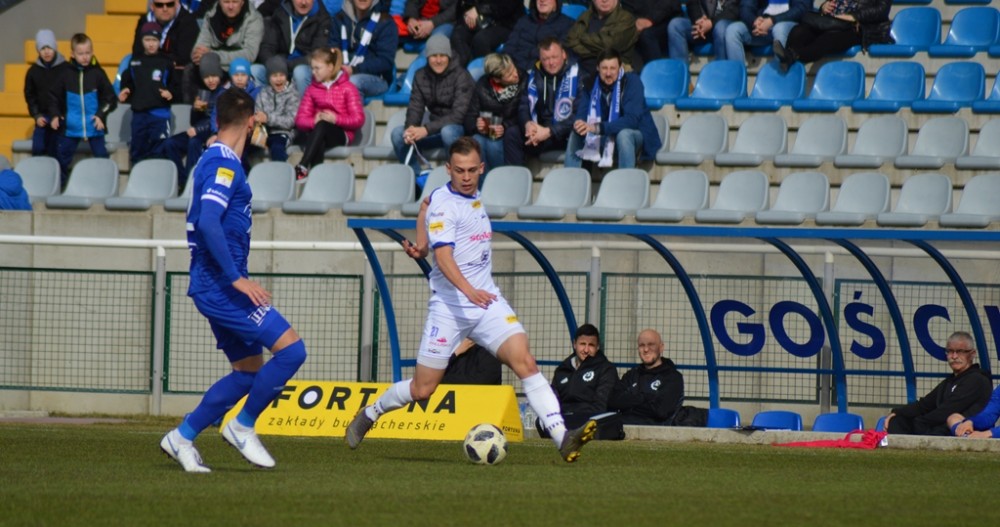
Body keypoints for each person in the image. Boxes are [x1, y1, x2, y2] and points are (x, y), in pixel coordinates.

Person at [344, 137, 598, 463]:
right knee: (423, 389)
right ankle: (371, 412)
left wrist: (420, 245)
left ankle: (563, 438)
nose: (466, 177)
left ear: (481, 168)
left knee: (525, 361)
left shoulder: (460, 195)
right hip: (450, 307)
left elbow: (423, 205)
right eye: (459, 171)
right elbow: (444, 257)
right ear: (448, 169)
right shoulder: (446, 205)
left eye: (471, 170)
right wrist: (462, 284)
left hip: (485, 302)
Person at [160, 87, 308, 473]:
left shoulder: (216, 159)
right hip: (220, 285)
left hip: (214, 283)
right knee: (292, 351)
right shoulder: (223, 163)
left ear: (216, 120)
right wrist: (236, 279)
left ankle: (181, 438)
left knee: (248, 373)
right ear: (253, 121)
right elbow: (209, 220)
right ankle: (242, 426)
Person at [391, 34, 474, 178]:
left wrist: (426, 129)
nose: (438, 60)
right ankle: (418, 178)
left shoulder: (462, 75)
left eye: (442, 55)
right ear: (427, 57)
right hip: (434, 131)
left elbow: (458, 116)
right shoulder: (420, 75)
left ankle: (454, 178)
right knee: (398, 134)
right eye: (434, 56)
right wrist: (411, 129)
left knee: (448, 131)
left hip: (459, 131)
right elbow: (415, 108)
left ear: (449, 56)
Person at [564, 49, 661, 170]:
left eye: (613, 68)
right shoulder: (590, 83)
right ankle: (571, 178)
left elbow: (632, 120)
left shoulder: (632, 82)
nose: (608, 73)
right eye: (604, 68)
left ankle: (626, 178)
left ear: (620, 68)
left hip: (637, 136)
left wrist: (598, 128)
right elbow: (582, 114)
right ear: (598, 68)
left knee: (624, 135)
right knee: (576, 134)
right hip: (605, 135)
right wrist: (579, 124)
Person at [884, 331, 992, 436]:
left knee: (922, 425)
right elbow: (924, 405)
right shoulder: (950, 381)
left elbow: (947, 410)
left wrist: (919, 422)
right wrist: (897, 412)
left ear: (972, 354)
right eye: (950, 351)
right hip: (937, 427)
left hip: (959, 430)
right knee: (897, 420)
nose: (954, 356)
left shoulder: (977, 380)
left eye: (960, 351)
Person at [48, 33, 117, 185]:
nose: (85, 57)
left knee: (101, 156)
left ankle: (105, 186)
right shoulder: (65, 74)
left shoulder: (98, 73)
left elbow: (110, 98)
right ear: (72, 54)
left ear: (92, 52)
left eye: (88, 53)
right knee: (61, 157)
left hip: (94, 125)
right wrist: (55, 115)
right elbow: (53, 96)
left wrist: (101, 114)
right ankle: (60, 187)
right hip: (71, 126)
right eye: (80, 53)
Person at [292, 48, 365, 181]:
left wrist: (336, 119)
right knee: (320, 134)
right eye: (312, 68)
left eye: (317, 68)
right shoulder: (311, 89)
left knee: (323, 126)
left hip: (341, 134)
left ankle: (303, 164)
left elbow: (358, 119)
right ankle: (316, 177)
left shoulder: (348, 88)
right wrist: (313, 121)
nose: (313, 72)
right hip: (317, 132)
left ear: (330, 67)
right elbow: (300, 120)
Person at [158, 52, 227, 190]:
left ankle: (192, 182)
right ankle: (183, 180)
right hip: (197, 131)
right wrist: (195, 109)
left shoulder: (224, 94)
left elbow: (218, 120)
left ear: (219, 75)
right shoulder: (202, 93)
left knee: (194, 142)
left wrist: (198, 129)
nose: (210, 80)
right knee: (170, 143)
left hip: (214, 133)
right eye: (206, 77)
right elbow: (193, 121)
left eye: (214, 76)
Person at [119, 22, 178, 166]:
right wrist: (126, 89)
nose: (151, 44)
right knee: (137, 150)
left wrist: (170, 93)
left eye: (154, 40)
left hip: (160, 114)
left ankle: (157, 178)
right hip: (139, 115)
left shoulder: (166, 62)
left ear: (160, 41)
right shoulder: (135, 61)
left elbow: (175, 84)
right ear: (142, 40)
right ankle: (137, 177)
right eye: (147, 40)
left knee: (159, 150)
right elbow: (128, 82)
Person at [187, 0, 264, 103]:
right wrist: (197, 54)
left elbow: (250, 54)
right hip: (213, 64)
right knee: (190, 69)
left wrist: (213, 56)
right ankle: (195, 107)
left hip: (238, 63)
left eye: (235, 2)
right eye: (226, 2)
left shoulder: (253, 19)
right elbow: (200, 45)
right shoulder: (211, 15)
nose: (230, 6)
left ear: (242, 2)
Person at [774, 0, 892, 67]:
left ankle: (793, 56)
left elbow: (882, 10)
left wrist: (854, 16)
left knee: (828, 38)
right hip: (834, 21)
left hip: (860, 26)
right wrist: (824, 6)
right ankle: (790, 58)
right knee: (799, 31)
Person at [545, 324, 617, 431]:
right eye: (582, 344)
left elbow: (600, 407)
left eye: (591, 345)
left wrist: (574, 417)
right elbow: (553, 403)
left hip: (589, 425)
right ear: (574, 344)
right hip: (561, 423)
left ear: (597, 347)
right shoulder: (562, 370)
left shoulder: (606, 370)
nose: (586, 350)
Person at [464, 53, 526, 174]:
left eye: (514, 68)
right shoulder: (482, 85)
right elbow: (469, 117)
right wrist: (477, 125)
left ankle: (499, 178)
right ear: (497, 79)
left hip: (511, 132)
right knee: (477, 141)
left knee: (494, 145)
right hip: (488, 133)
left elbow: (524, 113)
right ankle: (483, 182)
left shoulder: (524, 80)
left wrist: (504, 126)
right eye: (509, 74)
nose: (515, 74)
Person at [608, 328, 684, 426]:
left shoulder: (673, 377)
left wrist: (629, 404)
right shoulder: (631, 375)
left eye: (651, 345)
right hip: (624, 427)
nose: (646, 349)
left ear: (661, 347)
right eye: (642, 345)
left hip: (654, 431)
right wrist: (645, 398)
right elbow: (613, 401)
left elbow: (661, 411)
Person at [519, 37, 579, 160]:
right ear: (540, 59)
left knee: (578, 133)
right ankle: (513, 172)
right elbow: (523, 105)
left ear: (564, 54)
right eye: (545, 59)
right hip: (540, 129)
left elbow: (580, 115)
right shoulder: (533, 76)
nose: (551, 63)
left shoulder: (578, 76)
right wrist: (528, 124)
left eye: (554, 57)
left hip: (565, 131)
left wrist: (550, 131)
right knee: (513, 134)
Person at [256, 0, 331, 95]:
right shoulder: (280, 12)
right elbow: (267, 46)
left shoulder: (322, 18)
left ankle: (304, 104)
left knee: (300, 72)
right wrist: (274, 64)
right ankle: (264, 103)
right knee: (256, 70)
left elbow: (317, 54)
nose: (303, 2)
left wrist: (286, 65)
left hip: (305, 66)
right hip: (279, 64)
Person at [131, 0, 200, 99]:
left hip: (176, 79)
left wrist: (155, 58)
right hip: (148, 72)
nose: (165, 9)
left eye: (169, 4)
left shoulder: (188, 21)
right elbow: (137, 53)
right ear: (152, 6)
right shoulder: (144, 22)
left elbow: (183, 58)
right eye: (159, 5)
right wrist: (165, 60)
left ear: (176, 4)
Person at [331, 0, 399, 99]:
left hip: (377, 78)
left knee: (352, 82)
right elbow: (332, 49)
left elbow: (385, 61)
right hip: (342, 72)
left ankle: (353, 109)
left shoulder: (385, 22)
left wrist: (355, 69)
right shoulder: (340, 19)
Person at [564, 0, 637, 88]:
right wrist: (598, 47)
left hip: (613, 74)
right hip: (583, 72)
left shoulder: (627, 19)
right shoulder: (585, 16)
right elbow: (571, 41)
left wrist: (583, 38)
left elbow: (609, 46)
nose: (604, 1)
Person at [24, 29, 67, 158]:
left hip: (61, 118)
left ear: (54, 47)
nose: (46, 52)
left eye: (49, 47)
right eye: (43, 48)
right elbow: (30, 95)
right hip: (43, 117)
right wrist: (36, 115)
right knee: (38, 148)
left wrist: (62, 114)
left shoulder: (66, 68)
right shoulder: (33, 71)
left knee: (57, 150)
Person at [724, 0, 808, 64]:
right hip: (762, 23)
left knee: (779, 29)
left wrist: (773, 20)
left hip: (789, 23)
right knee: (733, 30)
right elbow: (746, 7)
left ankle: (778, 78)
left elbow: (801, 8)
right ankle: (736, 78)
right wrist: (754, 21)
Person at [502, 0, 574, 73]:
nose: (542, 0)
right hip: (515, 69)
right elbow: (509, 47)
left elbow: (558, 54)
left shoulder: (567, 24)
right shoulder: (523, 21)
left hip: (543, 71)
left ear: (556, 2)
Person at [254, 55, 301, 162]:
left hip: (284, 133)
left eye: (282, 75)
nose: (279, 79)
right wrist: (258, 136)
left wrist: (268, 118)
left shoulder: (293, 94)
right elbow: (258, 115)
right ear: (268, 78)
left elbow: (290, 121)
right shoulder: (263, 93)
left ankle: (282, 170)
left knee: (277, 146)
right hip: (264, 132)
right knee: (247, 145)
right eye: (274, 76)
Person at [449, 0, 523, 67]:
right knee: (458, 36)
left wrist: (478, 10)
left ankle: (485, 74)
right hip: (482, 20)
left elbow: (505, 7)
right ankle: (466, 70)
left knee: (481, 40)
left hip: (506, 24)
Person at [666, 0, 740, 62]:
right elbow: (692, 3)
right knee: (676, 26)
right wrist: (699, 21)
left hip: (724, 24)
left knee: (720, 28)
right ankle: (680, 72)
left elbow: (733, 10)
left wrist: (711, 23)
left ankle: (721, 72)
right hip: (703, 23)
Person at [620, 0, 683, 70]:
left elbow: (670, 3)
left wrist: (651, 19)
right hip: (640, 26)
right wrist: (635, 22)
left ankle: (656, 72)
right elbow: (627, 9)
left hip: (667, 20)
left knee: (646, 35)